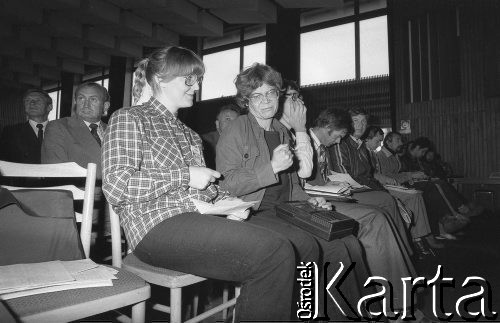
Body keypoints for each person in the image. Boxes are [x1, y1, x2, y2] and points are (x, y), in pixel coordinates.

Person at [102, 46, 296, 321]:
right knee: (274, 252)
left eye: (198, 79)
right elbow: (116, 186)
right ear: (160, 80)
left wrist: (227, 204)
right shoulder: (130, 118)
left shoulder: (189, 134)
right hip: (154, 227)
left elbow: (202, 191)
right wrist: (184, 174)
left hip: (194, 220)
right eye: (188, 79)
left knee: (278, 247)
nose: (197, 86)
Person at [216, 64, 382, 319]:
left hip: (286, 210)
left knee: (347, 241)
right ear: (245, 100)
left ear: (278, 95)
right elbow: (226, 185)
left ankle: (352, 313)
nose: (265, 102)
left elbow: (292, 184)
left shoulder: (282, 132)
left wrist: (311, 200)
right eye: (256, 96)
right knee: (308, 246)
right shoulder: (236, 129)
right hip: (253, 213)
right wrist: (269, 168)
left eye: (270, 94)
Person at [305, 107, 418, 314]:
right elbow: (308, 182)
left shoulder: (321, 144)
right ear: (330, 127)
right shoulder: (306, 142)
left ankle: (400, 284)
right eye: (339, 136)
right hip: (316, 199)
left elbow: (324, 178)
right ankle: (396, 299)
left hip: (328, 193)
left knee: (383, 208)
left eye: (363, 122)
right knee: (377, 215)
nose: (339, 141)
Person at [326, 108, 413, 254]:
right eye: (355, 121)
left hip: (362, 187)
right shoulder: (341, 142)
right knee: (387, 200)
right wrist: (379, 190)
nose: (360, 125)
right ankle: (400, 251)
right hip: (348, 190)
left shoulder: (361, 146)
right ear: (348, 123)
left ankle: (399, 249)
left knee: (390, 199)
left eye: (364, 121)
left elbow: (369, 175)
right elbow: (344, 175)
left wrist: (380, 188)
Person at [363, 127, 443, 252]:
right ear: (366, 139)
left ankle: (421, 236)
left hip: (385, 184)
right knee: (416, 195)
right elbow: (380, 176)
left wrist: (405, 178)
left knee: (418, 194)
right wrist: (408, 176)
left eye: (381, 141)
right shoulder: (377, 155)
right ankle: (419, 237)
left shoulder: (378, 154)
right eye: (378, 141)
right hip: (380, 186)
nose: (380, 144)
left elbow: (381, 175)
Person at [41, 82, 109, 178]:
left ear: (105, 106)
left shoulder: (115, 131)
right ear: (75, 102)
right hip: (78, 191)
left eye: (93, 99)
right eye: (81, 98)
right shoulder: (58, 127)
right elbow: (55, 172)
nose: (86, 105)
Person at [0, 89, 52, 163]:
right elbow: (3, 162)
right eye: (27, 100)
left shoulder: (60, 131)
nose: (32, 103)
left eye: (38, 100)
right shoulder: (10, 132)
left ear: (49, 107)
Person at [201, 103, 241, 169]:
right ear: (217, 124)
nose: (232, 124)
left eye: (236, 121)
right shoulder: (205, 142)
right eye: (227, 119)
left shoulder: (245, 141)